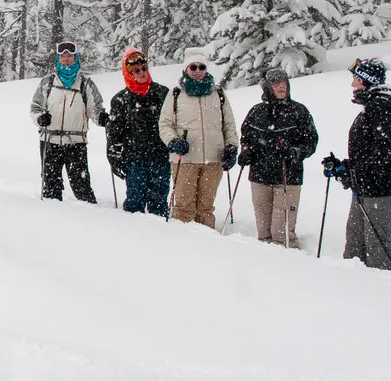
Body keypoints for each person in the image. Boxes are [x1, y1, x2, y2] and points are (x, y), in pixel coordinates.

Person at [321, 57, 391, 271]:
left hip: (383, 188)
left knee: (376, 243)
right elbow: (368, 152)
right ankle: (353, 280)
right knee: (355, 238)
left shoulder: (381, 106)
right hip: (367, 185)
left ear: (367, 80)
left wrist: (352, 170)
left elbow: (384, 153)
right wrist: (344, 167)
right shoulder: (373, 106)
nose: (352, 84)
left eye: (356, 79)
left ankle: (384, 284)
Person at [158, 48, 239, 227]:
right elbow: (165, 124)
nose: (197, 71)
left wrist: (232, 146)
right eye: (193, 67)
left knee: (205, 208)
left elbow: (229, 125)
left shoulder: (218, 93)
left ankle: (207, 240)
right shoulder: (176, 94)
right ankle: (183, 240)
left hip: (213, 159)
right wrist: (173, 141)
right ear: (186, 69)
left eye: (201, 67)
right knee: (184, 208)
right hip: (185, 159)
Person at [239, 70, 318, 246]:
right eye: (276, 83)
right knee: (263, 229)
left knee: (281, 231)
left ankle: (289, 257)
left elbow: (311, 142)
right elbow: (246, 137)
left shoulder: (299, 111)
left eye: (284, 82)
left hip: (288, 177)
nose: (281, 86)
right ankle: (264, 258)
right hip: (260, 176)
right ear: (267, 87)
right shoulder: (256, 111)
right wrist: (246, 152)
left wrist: (295, 152)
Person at [30, 40, 106, 203]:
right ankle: (51, 214)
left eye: (70, 56)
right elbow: (35, 107)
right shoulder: (48, 82)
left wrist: (101, 118)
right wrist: (40, 118)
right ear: (58, 58)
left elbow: (95, 108)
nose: (66, 60)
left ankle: (92, 215)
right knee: (51, 186)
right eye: (62, 56)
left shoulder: (85, 84)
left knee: (82, 186)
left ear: (75, 58)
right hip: (50, 140)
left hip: (76, 142)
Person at [107, 47, 171, 217]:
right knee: (134, 204)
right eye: (136, 70)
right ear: (128, 73)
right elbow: (114, 133)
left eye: (144, 69)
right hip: (134, 158)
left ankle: (162, 231)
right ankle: (133, 232)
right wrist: (114, 157)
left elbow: (172, 123)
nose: (141, 73)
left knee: (159, 203)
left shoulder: (162, 93)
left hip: (160, 156)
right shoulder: (120, 99)